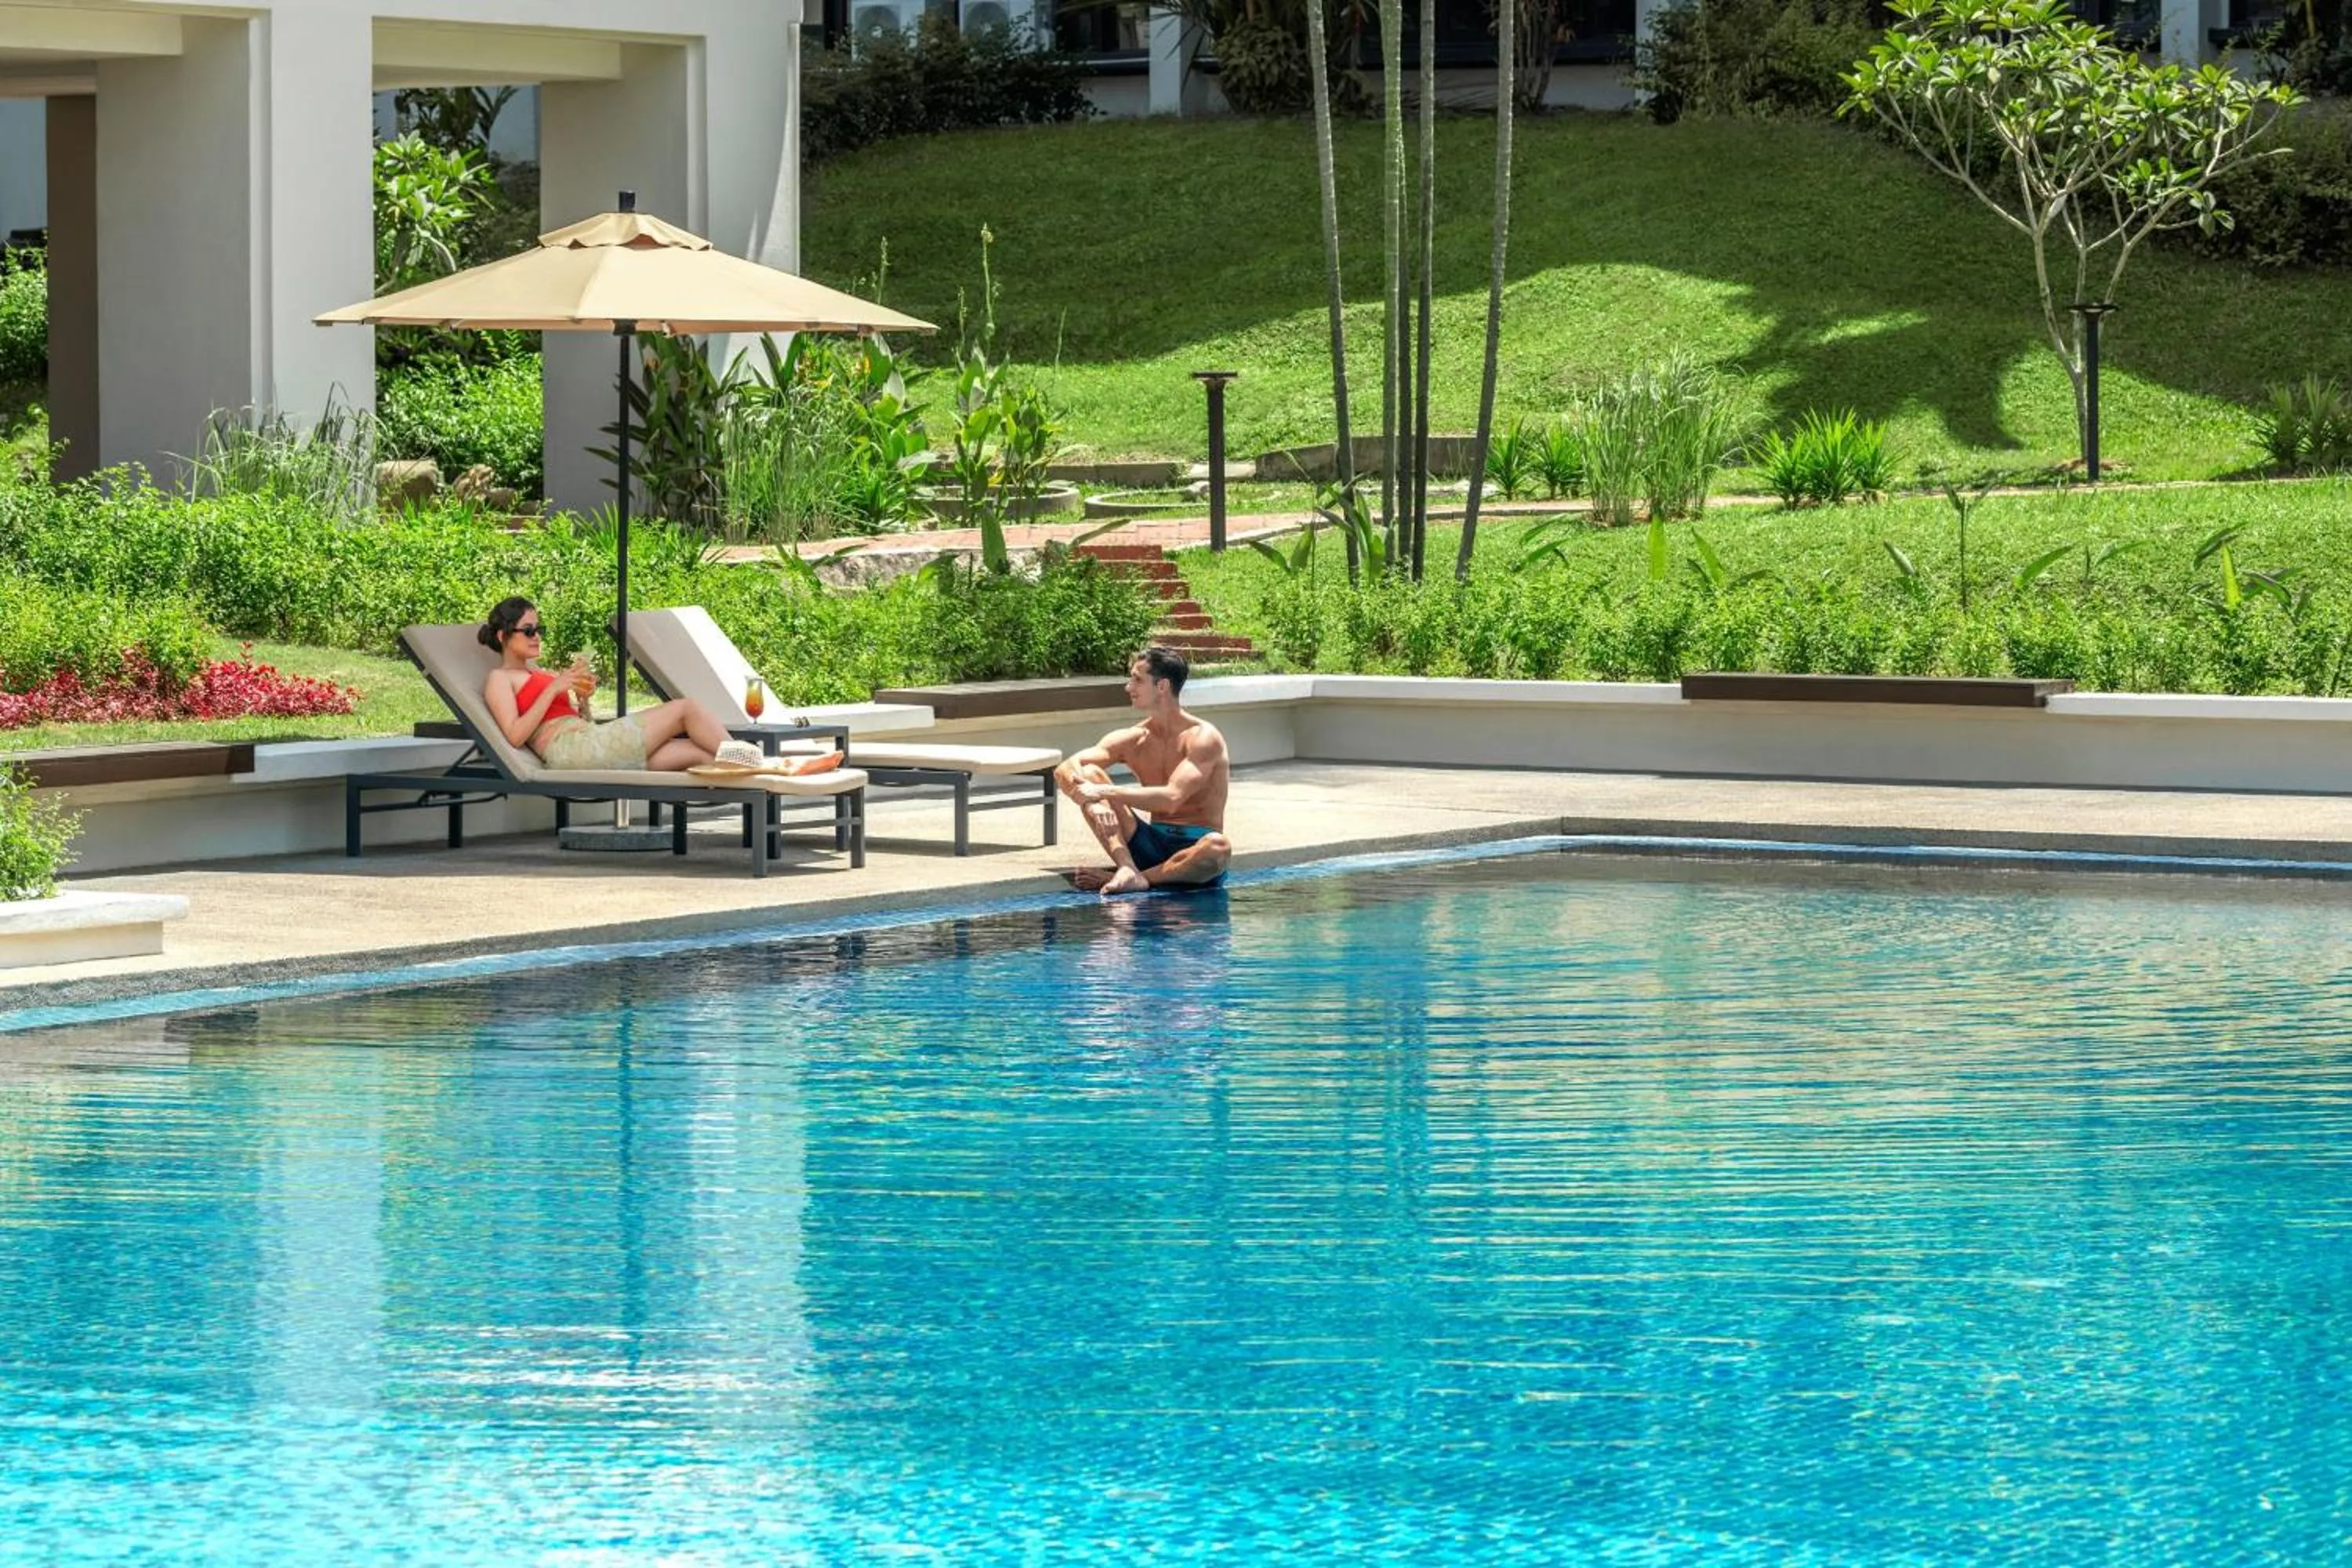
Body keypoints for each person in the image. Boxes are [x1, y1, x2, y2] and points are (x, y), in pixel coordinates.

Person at [479, 596, 755, 772]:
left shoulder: (542, 674)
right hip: (569, 751)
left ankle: (764, 778)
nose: (537, 636)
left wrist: (582, 699)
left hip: (587, 742)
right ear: (504, 635)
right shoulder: (499, 679)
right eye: (528, 630)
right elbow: (515, 736)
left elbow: (580, 722)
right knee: (686, 709)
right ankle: (757, 760)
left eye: (540, 630)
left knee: (703, 755)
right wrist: (554, 689)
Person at [1056, 644, 1232, 897]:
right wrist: (1092, 802)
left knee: (1218, 848)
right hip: (1147, 843)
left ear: (1162, 687)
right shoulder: (1135, 738)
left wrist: (1104, 791)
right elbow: (1067, 767)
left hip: (1196, 854)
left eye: (1137, 680)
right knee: (1091, 772)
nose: (1128, 687)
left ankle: (1140, 879)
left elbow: (1172, 799)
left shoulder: (1203, 738)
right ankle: (1127, 868)